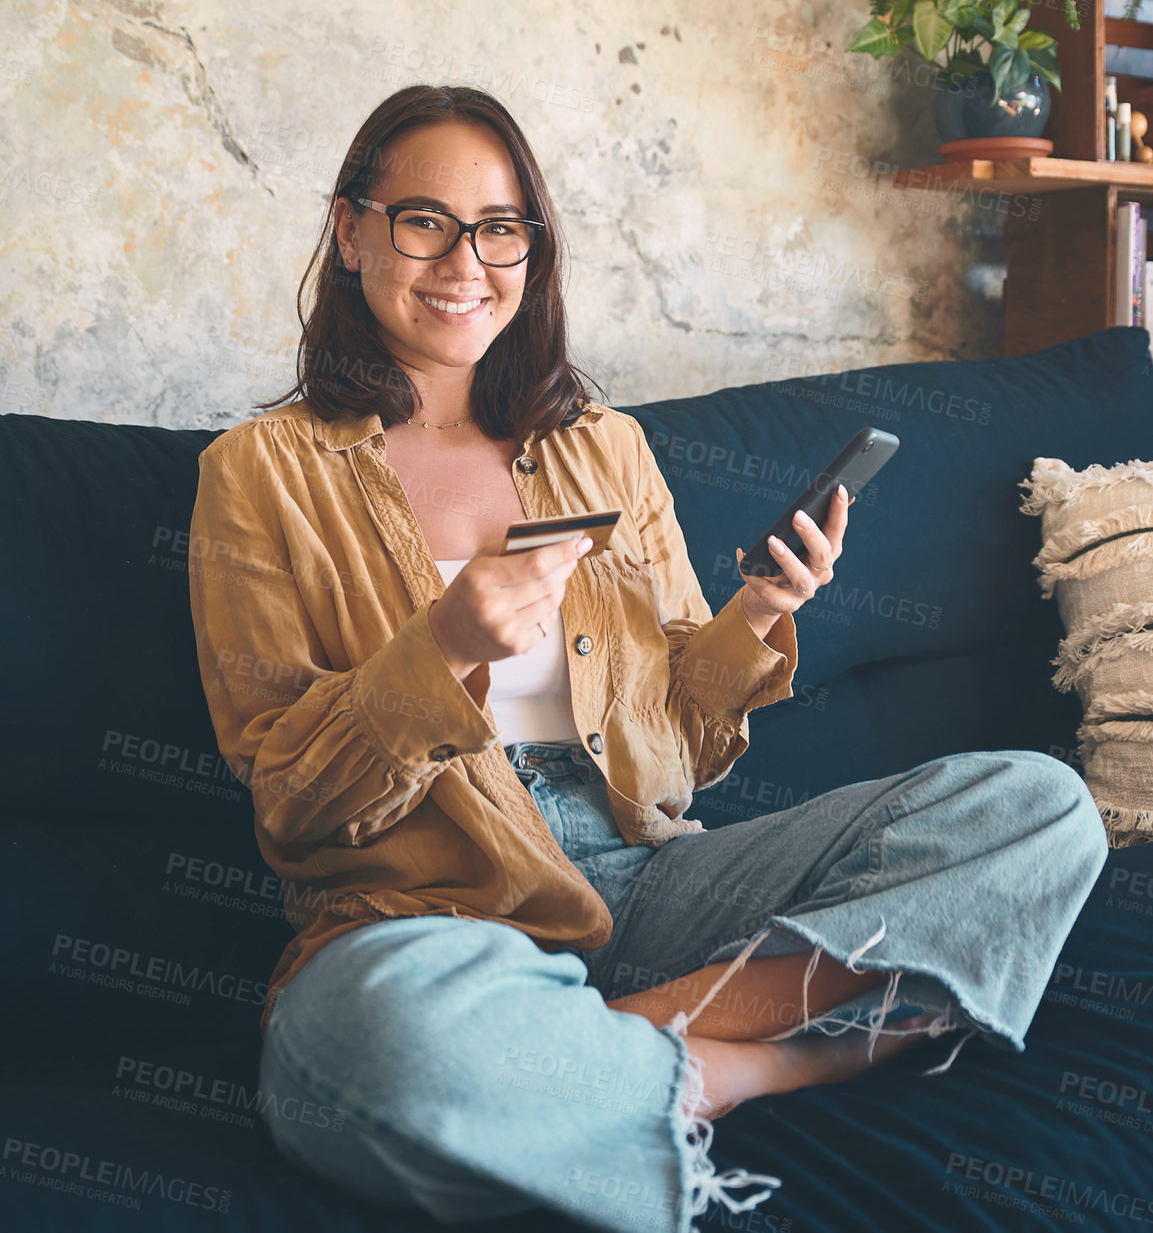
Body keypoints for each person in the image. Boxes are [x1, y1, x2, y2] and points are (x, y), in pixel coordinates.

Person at [188, 84, 1109, 1233]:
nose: (464, 260)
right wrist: (445, 651)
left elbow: (679, 757)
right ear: (350, 229)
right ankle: (772, 1057)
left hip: (646, 875)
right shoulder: (259, 474)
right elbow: (292, 801)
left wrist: (756, 613)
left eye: (501, 227)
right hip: (426, 913)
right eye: (423, 220)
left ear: (533, 248)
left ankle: (630, 1059)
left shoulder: (601, 448)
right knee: (367, 1045)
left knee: (1038, 808)